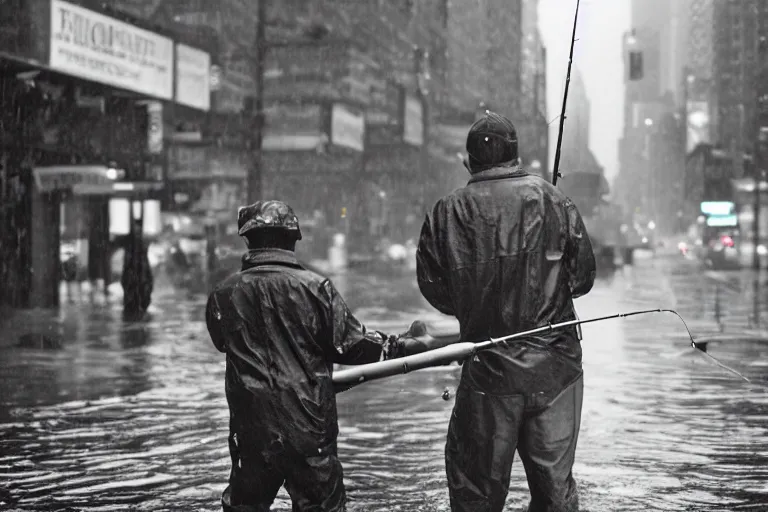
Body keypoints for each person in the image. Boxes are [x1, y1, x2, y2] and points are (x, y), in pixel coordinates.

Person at [416, 111, 597, 512]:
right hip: (558, 372)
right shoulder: (554, 199)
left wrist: (475, 304)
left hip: (487, 373)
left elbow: (433, 287)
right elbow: (582, 277)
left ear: (469, 161)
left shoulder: (446, 212)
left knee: (476, 495)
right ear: (516, 155)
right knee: (555, 494)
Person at [206, 200, 410, 512]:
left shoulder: (224, 293)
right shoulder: (315, 288)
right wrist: (398, 345)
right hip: (308, 427)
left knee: (244, 506)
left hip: (251, 429)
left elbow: (222, 342)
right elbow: (352, 346)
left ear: (248, 241)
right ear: (293, 240)